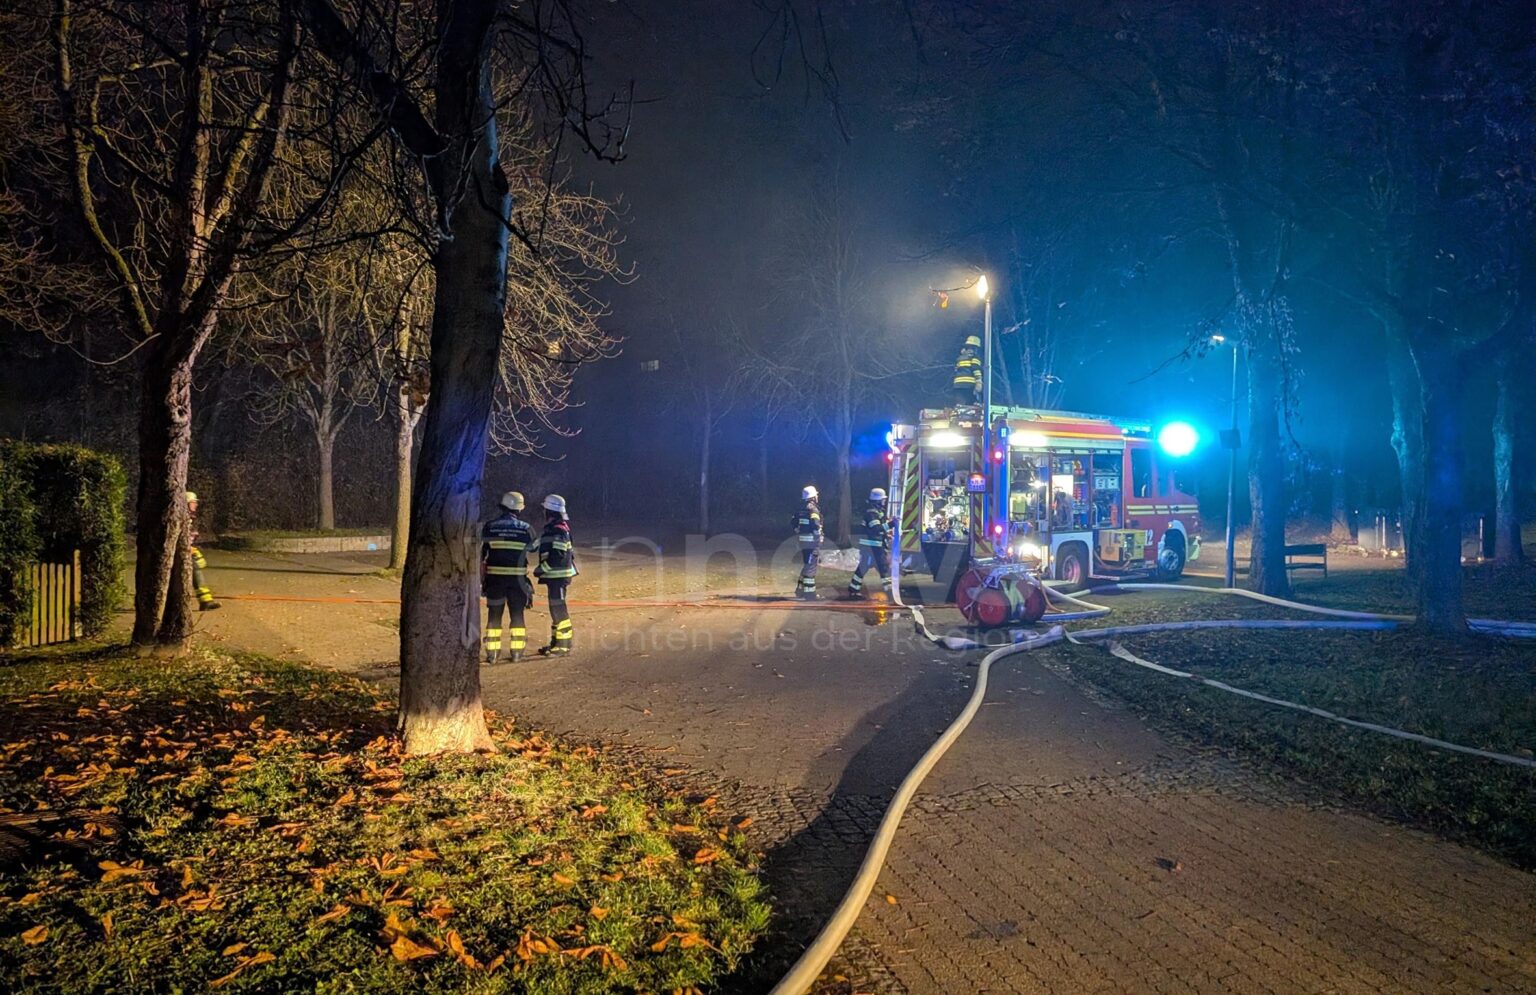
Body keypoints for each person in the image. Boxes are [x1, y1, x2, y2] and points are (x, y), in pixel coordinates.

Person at [481, 491, 535, 664]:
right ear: (519, 509)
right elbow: (533, 549)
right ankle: (517, 652)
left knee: (494, 615)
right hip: (517, 580)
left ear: (503, 506)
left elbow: (483, 555)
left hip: (495, 580)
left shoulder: (490, 526)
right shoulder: (526, 528)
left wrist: (483, 581)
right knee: (517, 614)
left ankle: (492, 654)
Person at [533, 494, 577, 655]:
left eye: (545, 509)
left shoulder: (558, 530)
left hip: (557, 576)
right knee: (555, 608)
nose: (543, 512)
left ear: (550, 511)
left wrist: (542, 568)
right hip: (556, 576)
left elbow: (557, 554)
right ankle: (555, 643)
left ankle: (564, 645)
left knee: (558, 609)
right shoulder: (557, 528)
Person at [848, 487, 891, 599]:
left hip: (871, 546)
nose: (884, 502)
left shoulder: (874, 512)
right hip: (873, 547)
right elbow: (876, 528)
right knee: (883, 568)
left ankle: (853, 589)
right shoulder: (872, 513)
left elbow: (876, 530)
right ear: (878, 500)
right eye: (883, 500)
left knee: (864, 567)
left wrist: (886, 534)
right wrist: (891, 525)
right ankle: (890, 592)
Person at [185, 491, 220, 611]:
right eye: (193, 503)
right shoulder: (182, 519)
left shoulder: (189, 519)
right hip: (178, 553)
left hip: (183, 552)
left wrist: (193, 550)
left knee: (196, 567)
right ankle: (205, 601)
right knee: (195, 568)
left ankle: (205, 601)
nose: (196, 505)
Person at [791, 485, 823, 600]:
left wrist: (798, 531)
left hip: (803, 542)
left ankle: (800, 590)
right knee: (810, 567)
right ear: (813, 497)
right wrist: (818, 536)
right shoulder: (813, 509)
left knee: (807, 564)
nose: (817, 497)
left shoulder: (800, 509)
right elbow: (815, 524)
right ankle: (809, 594)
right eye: (816, 495)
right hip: (811, 543)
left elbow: (793, 522)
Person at [952, 334, 982, 405]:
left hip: (958, 385)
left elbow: (956, 370)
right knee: (970, 405)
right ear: (976, 348)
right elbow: (976, 369)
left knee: (960, 405)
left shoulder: (959, 358)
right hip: (969, 385)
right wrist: (979, 382)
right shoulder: (974, 358)